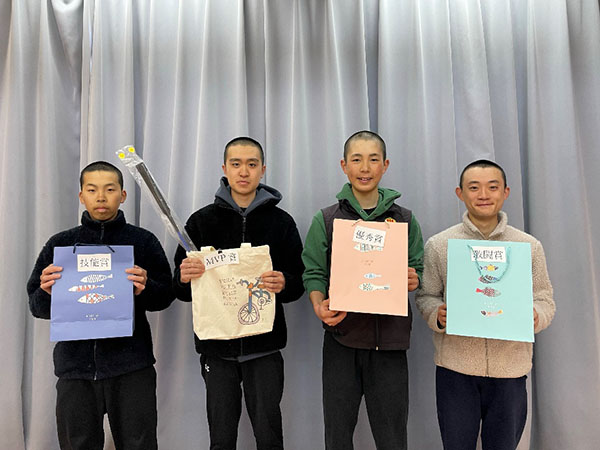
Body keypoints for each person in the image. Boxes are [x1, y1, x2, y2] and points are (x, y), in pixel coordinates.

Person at [27, 161, 174, 450]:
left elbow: (165, 297)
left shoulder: (143, 241)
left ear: (123, 195)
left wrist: (145, 288)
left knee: (140, 444)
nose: (101, 197)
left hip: (132, 366)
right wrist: (46, 291)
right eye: (92, 190)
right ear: (81, 196)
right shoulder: (61, 245)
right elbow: (37, 307)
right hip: (75, 369)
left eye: (110, 189)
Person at [173, 137, 304, 450]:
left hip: (265, 348)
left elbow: (299, 282)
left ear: (263, 169)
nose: (243, 171)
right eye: (236, 164)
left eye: (251, 164)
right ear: (224, 168)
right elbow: (181, 289)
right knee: (221, 438)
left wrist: (284, 282)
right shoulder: (200, 222)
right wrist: (184, 277)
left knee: (269, 437)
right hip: (217, 350)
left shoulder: (281, 222)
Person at [415, 159, 556, 450]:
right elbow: (426, 295)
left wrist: (536, 315)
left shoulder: (528, 246)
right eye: (474, 187)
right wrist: (436, 314)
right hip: (455, 370)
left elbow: (545, 299)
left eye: (492, 187)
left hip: (510, 371)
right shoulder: (440, 244)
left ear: (506, 192)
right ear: (460, 193)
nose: (483, 195)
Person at [302, 130, 424, 450]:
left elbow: (418, 268)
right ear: (344, 166)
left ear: (385, 165)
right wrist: (318, 304)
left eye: (373, 159)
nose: (365, 168)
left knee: (392, 437)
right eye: (357, 160)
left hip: (391, 342)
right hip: (342, 339)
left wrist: (414, 279)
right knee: (338, 433)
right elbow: (314, 272)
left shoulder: (404, 219)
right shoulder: (327, 219)